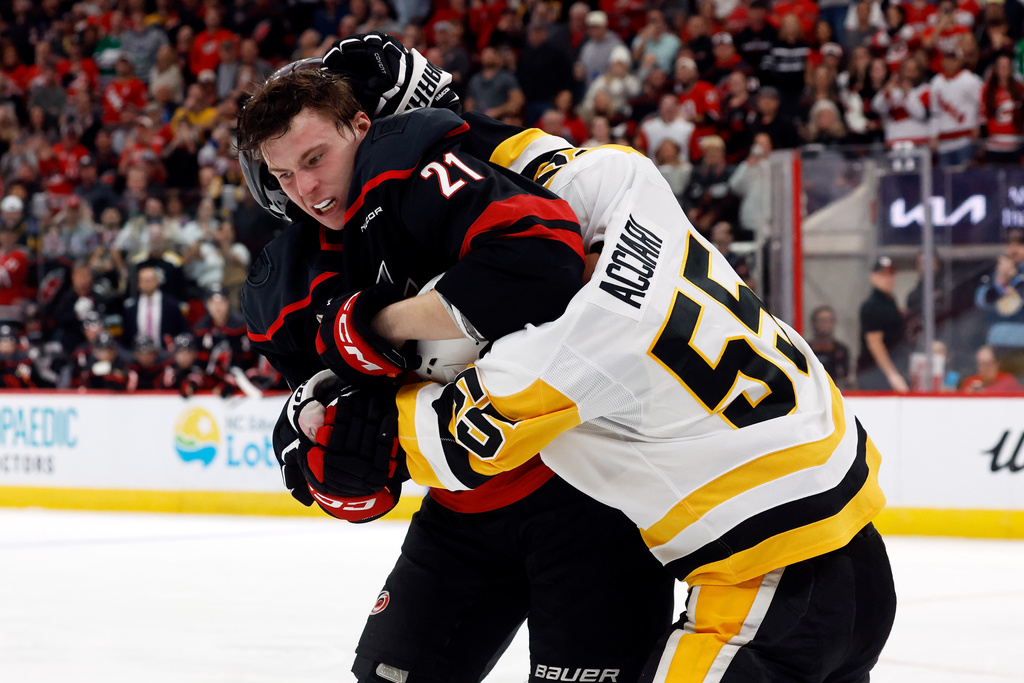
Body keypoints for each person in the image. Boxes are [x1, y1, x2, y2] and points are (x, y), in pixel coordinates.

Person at [301, 73, 896, 682]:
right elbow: (537, 171)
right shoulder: (627, 183)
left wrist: (343, 407)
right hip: (851, 534)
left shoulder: (561, 358)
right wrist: (435, 119)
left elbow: (457, 439)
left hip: (769, 582)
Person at [235, 40, 673, 683]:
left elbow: (541, 264)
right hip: (462, 514)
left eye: (315, 159)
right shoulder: (294, 276)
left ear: (364, 126)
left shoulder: (438, 173)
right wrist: (323, 457)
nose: (306, 189)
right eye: (283, 175)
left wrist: (375, 324)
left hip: (588, 495)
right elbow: (316, 411)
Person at [975, 227, 1024, 377]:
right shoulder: (995, 275)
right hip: (997, 348)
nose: (1014, 250)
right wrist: (1001, 283)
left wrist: (1014, 281)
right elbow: (982, 302)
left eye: (1020, 244)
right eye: (1010, 244)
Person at [857, 255, 909, 392]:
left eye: (891, 273)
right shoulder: (872, 306)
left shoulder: (890, 302)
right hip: (875, 375)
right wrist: (892, 374)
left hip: (893, 368)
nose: (888, 278)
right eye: (882, 274)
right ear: (873, 277)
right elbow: (875, 342)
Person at [121, 265, 190, 350]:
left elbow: (182, 330)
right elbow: (126, 336)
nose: (146, 283)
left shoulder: (171, 305)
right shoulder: (131, 308)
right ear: (139, 283)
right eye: (143, 280)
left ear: (157, 281)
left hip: (165, 354)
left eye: (149, 280)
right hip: (139, 355)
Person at [807, 304, 852, 388]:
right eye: (822, 320)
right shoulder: (806, 349)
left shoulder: (841, 350)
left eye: (830, 320)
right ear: (814, 323)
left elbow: (846, 378)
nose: (826, 324)